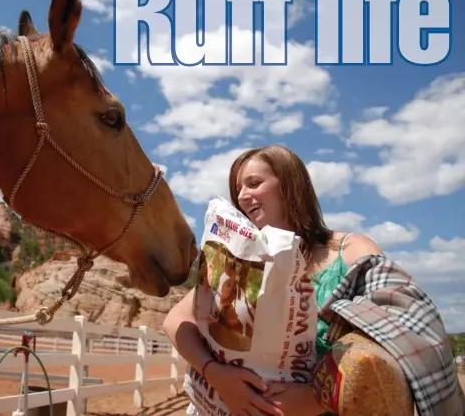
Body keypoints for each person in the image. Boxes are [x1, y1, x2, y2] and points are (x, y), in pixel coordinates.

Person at [162, 145, 463, 416]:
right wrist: (216, 373)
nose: (241, 196)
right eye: (238, 189)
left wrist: (317, 398)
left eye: (254, 183)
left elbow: (398, 335)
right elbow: (176, 320)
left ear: (291, 187)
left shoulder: (350, 251)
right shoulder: (243, 261)